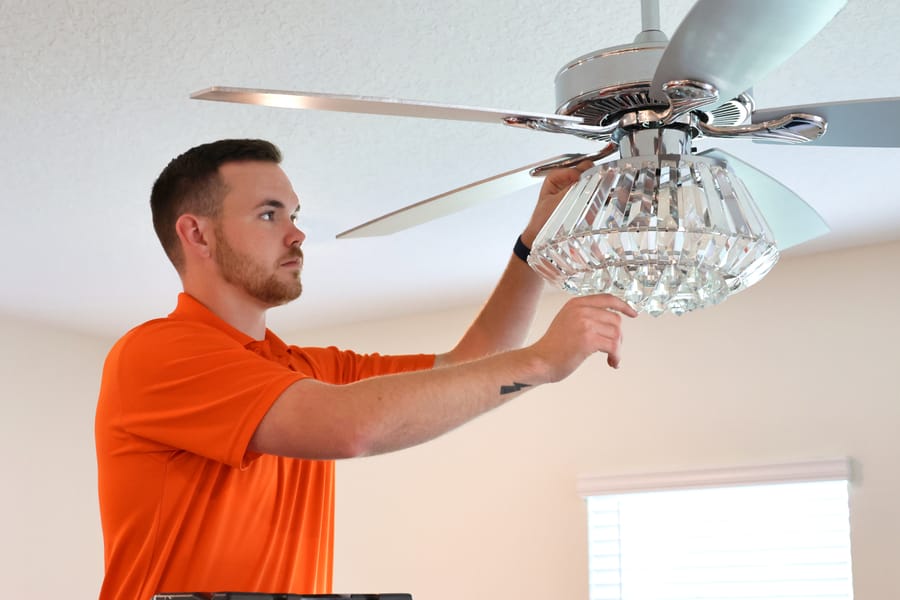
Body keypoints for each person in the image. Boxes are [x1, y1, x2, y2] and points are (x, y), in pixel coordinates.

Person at [94, 139, 637, 599]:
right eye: (268, 214)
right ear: (197, 234)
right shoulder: (156, 353)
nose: (297, 234)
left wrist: (536, 245)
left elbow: (472, 367)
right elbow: (352, 428)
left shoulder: (301, 370)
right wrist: (540, 361)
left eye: (294, 215)